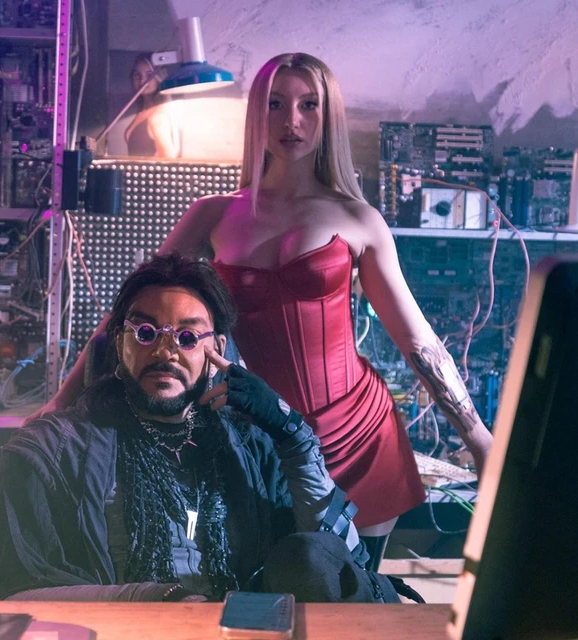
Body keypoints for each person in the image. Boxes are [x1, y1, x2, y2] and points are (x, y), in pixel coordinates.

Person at [32, 53, 493, 571]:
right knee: (260, 590)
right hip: (256, 441)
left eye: (308, 105)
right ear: (257, 113)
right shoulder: (213, 213)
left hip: (360, 437)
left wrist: (480, 441)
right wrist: (59, 403)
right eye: (276, 104)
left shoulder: (359, 219)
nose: (291, 120)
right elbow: (127, 319)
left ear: (328, 115)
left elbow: (417, 340)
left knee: (357, 595)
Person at [0, 254, 414, 604]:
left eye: (187, 338)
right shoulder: (53, 450)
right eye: (146, 332)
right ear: (120, 342)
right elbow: (14, 593)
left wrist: (291, 433)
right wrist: (155, 600)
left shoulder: (252, 447)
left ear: (217, 349)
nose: (165, 351)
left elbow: (339, 566)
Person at [124, 53, 180, 158]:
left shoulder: (158, 116)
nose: (142, 80)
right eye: (137, 74)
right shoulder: (143, 111)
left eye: (149, 75)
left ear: (159, 78)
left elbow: (169, 160)